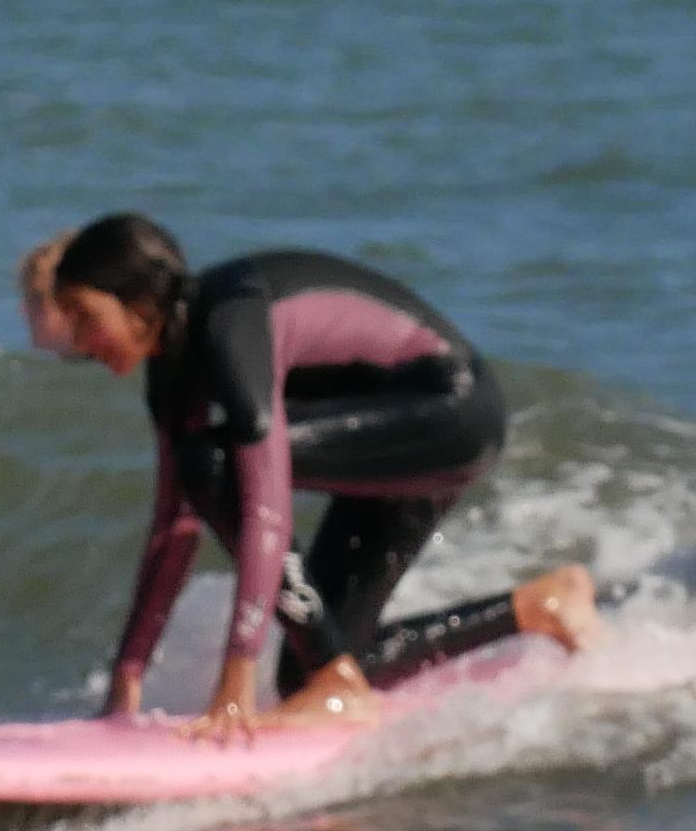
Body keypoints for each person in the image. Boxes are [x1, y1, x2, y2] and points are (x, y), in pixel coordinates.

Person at [31, 213, 597, 737]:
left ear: (137, 300)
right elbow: (172, 528)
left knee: (213, 462)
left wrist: (236, 684)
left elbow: (263, 501)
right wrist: (126, 682)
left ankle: (337, 682)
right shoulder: (169, 371)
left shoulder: (229, 326)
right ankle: (538, 607)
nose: (80, 342)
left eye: (85, 316)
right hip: (389, 439)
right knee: (305, 672)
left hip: (450, 412)